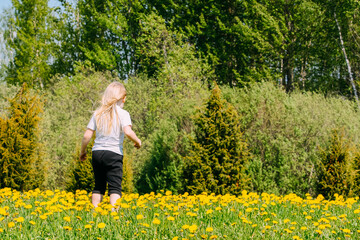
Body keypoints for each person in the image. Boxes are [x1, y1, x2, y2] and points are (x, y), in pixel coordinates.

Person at [79, 82, 141, 208]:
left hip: (97, 153)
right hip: (114, 153)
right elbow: (128, 131)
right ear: (124, 98)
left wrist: (83, 151)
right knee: (115, 187)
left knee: (99, 185)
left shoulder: (98, 113)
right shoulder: (123, 114)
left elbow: (86, 136)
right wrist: (137, 141)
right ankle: (114, 214)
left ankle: (95, 211)